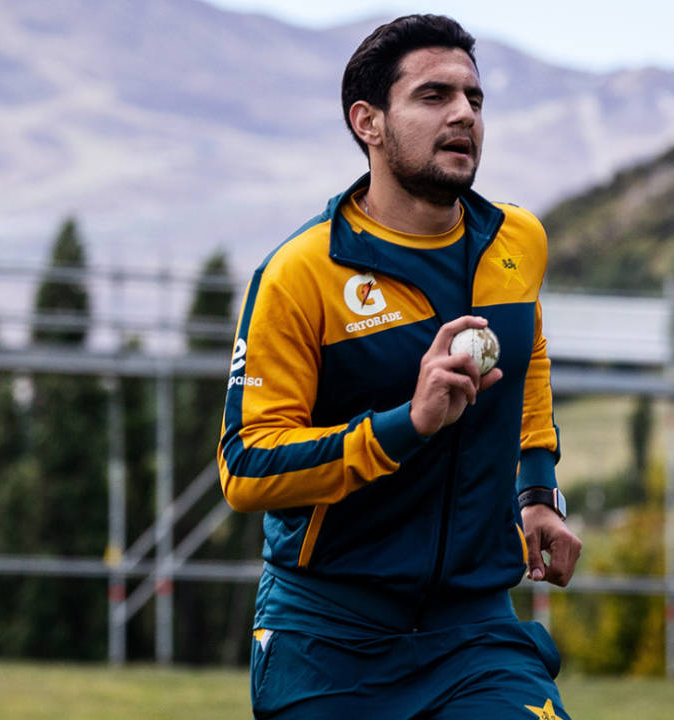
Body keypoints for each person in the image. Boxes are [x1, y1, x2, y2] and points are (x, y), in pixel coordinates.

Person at [217, 14, 581, 719]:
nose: (463, 115)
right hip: (328, 634)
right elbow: (247, 467)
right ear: (369, 123)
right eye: (433, 96)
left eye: (474, 99)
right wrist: (404, 426)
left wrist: (537, 492)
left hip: (473, 631)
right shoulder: (301, 274)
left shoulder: (517, 241)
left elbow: (529, 355)